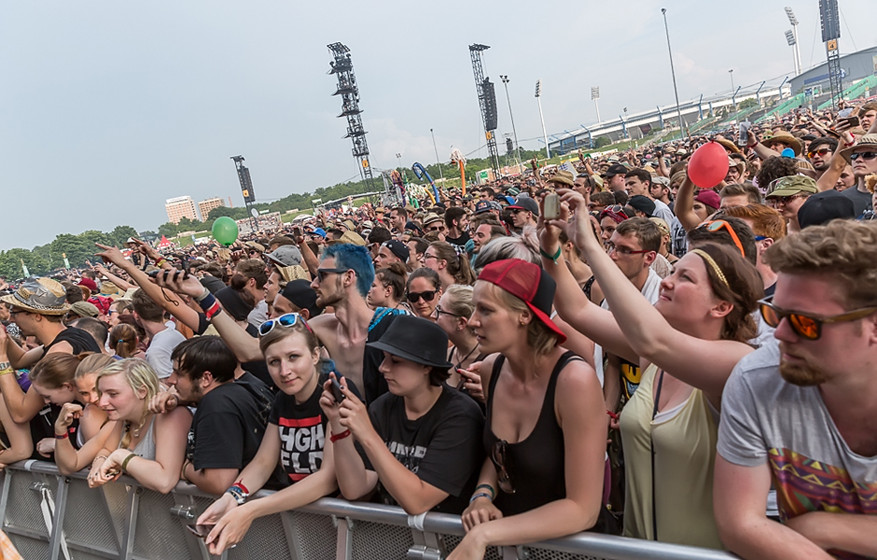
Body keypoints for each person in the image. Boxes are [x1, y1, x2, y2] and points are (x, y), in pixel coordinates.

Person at [541, 189, 762, 548]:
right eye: (673, 271)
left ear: (722, 306)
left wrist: (592, 245)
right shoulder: (654, 358)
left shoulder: (736, 363)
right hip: (639, 549)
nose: (669, 280)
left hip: (704, 556)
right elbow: (576, 310)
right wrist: (552, 249)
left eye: (685, 279)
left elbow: (653, 339)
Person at [714, 220, 877, 560]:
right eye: (776, 314)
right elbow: (740, 525)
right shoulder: (758, 379)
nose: (780, 335)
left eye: (805, 322)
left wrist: (824, 527)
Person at [452, 259, 606, 559]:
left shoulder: (574, 381)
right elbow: (501, 451)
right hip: (514, 547)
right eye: (474, 309)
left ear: (524, 316)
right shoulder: (491, 368)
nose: (471, 321)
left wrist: (485, 534)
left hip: (572, 550)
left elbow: (583, 509)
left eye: (485, 310)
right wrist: (483, 494)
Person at [196, 311, 359, 554]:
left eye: (293, 357)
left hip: (345, 528)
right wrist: (232, 497)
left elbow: (327, 478)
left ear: (315, 355)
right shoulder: (283, 399)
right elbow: (264, 461)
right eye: (274, 362)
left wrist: (251, 509)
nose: (285, 371)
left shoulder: (334, 391)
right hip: (302, 522)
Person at [324, 315, 484, 516]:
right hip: (395, 539)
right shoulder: (384, 407)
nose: (383, 367)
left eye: (396, 361)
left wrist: (367, 434)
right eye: (384, 358)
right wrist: (339, 427)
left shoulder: (461, 416)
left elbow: (418, 502)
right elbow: (355, 488)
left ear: (427, 366)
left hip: (447, 542)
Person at [167, 337, 271, 495]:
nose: (171, 380)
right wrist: (176, 399)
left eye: (179, 374)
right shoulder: (250, 387)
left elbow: (220, 482)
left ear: (206, 378)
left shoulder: (216, 407)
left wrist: (184, 468)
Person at [90, 359, 191, 494]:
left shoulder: (168, 415)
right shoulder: (124, 418)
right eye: (101, 393)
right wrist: (99, 463)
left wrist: (121, 457)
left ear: (142, 391)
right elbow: (107, 450)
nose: (102, 402)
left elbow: (165, 481)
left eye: (113, 394)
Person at [432, 285, 484, 399]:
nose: (433, 315)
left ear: (461, 322)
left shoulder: (492, 361)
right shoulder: (444, 355)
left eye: (439, 311)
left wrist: (491, 398)